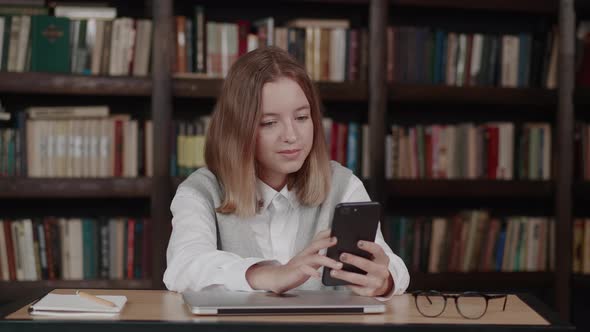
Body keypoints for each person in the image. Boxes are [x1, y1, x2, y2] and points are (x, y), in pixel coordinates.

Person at [163, 46, 409, 299]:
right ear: (238, 130)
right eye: (269, 123)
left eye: (302, 118)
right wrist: (269, 275)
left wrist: (384, 281)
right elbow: (183, 266)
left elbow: (394, 267)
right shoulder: (200, 191)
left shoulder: (343, 185)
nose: (292, 136)